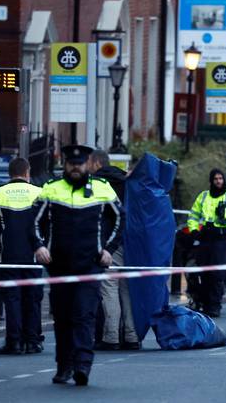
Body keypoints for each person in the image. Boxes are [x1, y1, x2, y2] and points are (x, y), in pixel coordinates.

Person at [33, 145, 124, 386]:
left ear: (88, 165)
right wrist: (39, 246)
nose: (75, 168)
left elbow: (120, 219)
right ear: (65, 165)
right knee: (63, 318)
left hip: (90, 265)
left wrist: (109, 250)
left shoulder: (102, 190)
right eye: (71, 164)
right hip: (59, 267)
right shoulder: (51, 190)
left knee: (84, 315)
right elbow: (34, 223)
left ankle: (83, 365)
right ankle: (64, 366)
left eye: (79, 164)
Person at [0, 157, 44, 355]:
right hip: (33, 256)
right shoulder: (38, 192)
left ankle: (14, 342)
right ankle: (32, 341)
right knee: (33, 299)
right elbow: (46, 224)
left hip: (7, 256)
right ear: (27, 173)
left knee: (12, 299)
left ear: (10, 174)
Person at [87, 149, 139, 351]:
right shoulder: (126, 181)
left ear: (96, 163)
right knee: (126, 289)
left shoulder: (97, 184)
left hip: (110, 242)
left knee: (109, 287)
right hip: (131, 242)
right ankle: (131, 336)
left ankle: (111, 337)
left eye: (89, 163)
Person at [186, 169, 226, 318]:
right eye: (216, 179)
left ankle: (215, 305)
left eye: (221, 178)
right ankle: (203, 303)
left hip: (221, 238)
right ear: (211, 181)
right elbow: (193, 215)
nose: (219, 181)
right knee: (203, 272)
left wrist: (225, 213)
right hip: (205, 237)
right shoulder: (203, 196)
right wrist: (193, 231)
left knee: (217, 274)